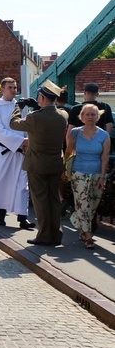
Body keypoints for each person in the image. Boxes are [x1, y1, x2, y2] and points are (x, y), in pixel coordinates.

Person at [9, 81, 69, 246]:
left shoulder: (35, 118)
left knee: (41, 201)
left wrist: (18, 108)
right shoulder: (63, 115)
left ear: (42, 97)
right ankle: (56, 235)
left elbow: (13, 124)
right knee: (54, 200)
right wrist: (38, 107)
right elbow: (49, 116)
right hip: (56, 164)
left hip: (37, 165)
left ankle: (43, 235)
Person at [0, 78, 35, 229]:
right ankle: (1, 215)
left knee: (22, 184)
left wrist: (37, 108)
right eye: (10, 88)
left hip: (20, 152)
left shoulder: (19, 106)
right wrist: (21, 141)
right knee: (1, 183)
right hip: (2, 152)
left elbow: (29, 124)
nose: (14, 90)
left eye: (15, 87)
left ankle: (22, 217)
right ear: (2, 89)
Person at [65, 103, 110, 249]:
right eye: (87, 114)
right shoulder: (75, 133)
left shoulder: (104, 135)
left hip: (97, 173)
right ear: (81, 117)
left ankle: (80, 225)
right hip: (79, 172)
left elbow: (105, 157)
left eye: (93, 114)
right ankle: (88, 236)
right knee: (83, 202)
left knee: (92, 205)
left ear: (98, 117)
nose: (90, 117)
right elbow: (69, 152)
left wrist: (102, 177)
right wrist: (65, 170)